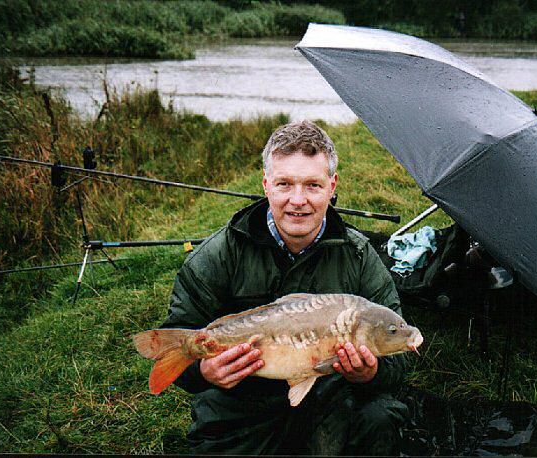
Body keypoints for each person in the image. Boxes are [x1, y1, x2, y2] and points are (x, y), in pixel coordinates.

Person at [160, 120, 409, 455]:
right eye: (284, 184)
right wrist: (204, 371)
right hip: (240, 405)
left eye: (312, 186)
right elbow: (177, 342)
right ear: (266, 185)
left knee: (380, 419)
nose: (298, 200)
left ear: (332, 186)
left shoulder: (359, 256)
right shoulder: (218, 255)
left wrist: (370, 372)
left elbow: (399, 350)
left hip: (330, 397)